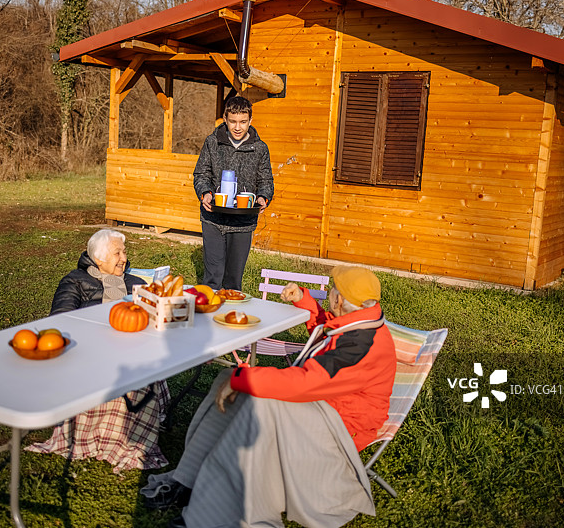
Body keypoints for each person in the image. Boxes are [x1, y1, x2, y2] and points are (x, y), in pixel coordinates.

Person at [141, 266, 397, 528]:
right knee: (226, 380)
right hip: (322, 407)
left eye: (333, 289)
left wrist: (247, 379)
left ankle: (212, 515)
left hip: (340, 429)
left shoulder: (362, 346)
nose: (330, 294)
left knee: (258, 404)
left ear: (339, 299)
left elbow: (307, 381)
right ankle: (187, 480)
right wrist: (304, 301)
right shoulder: (361, 323)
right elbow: (327, 333)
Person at [26, 229, 170, 473]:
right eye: (117, 253)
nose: (124, 258)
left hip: (133, 351)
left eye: (124, 252)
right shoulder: (75, 281)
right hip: (89, 352)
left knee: (145, 372)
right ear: (99, 258)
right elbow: (59, 321)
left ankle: (128, 436)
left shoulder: (135, 283)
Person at [193, 95, 274, 291]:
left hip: (243, 222)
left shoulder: (260, 148)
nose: (238, 127)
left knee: (233, 281)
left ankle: (230, 319)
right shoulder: (212, 143)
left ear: (250, 121)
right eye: (233, 122)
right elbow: (201, 173)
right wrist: (205, 193)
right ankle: (208, 318)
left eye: (243, 122)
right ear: (225, 119)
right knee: (212, 278)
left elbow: (266, 181)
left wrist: (263, 197)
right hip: (213, 219)